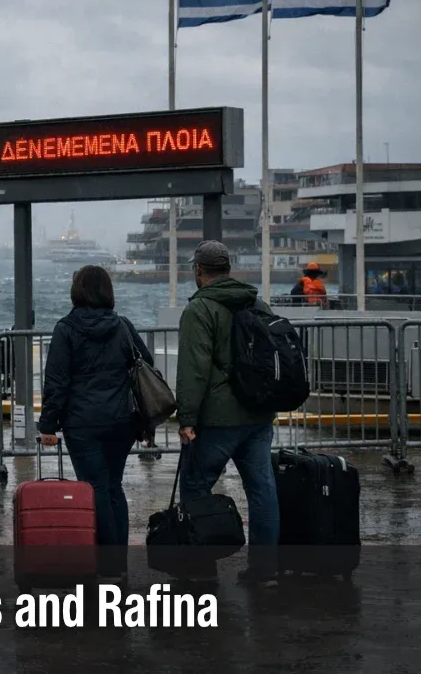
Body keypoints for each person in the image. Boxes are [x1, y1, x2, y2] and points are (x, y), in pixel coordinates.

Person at [37, 265, 155, 583]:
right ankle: (117, 564)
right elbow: (145, 364)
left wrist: (48, 425)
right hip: (122, 421)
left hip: (82, 423)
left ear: (76, 291)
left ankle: (108, 566)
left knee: (95, 488)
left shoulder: (65, 329)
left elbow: (56, 382)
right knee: (113, 486)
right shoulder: (123, 326)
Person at [175, 241, 280, 586]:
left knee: (195, 486)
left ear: (198, 270)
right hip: (258, 414)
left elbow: (194, 369)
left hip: (218, 420)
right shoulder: (257, 303)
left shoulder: (200, 309)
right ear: (229, 269)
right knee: (262, 491)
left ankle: (200, 570)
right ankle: (265, 569)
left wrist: (187, 418)